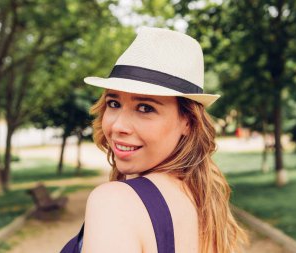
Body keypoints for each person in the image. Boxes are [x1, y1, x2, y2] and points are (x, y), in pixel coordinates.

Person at [60, 27, 248, 253]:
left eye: (145, 108)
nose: (118, 126)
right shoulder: (204, 204)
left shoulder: (116, 203)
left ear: (187, 122)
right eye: (114, 103)